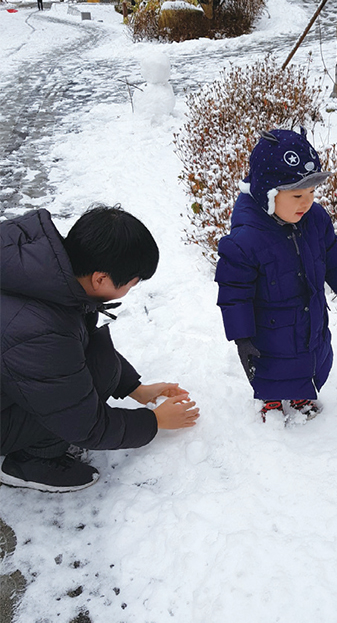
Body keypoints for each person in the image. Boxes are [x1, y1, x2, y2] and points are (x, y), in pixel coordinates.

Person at [0, 206, 199, 492]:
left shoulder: (42, 272)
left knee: (98, 366)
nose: (131, 289)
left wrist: (135, 388)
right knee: (89, 384)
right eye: (131, 283)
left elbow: (77, 346)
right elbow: (84, 426)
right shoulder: (40, 328)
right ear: (101, 279)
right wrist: (154, 421)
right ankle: (28, 462)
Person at [215, 129, 337, 423]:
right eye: (296, 195)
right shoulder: (244, 241)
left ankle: (302, 393)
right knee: (272, 364)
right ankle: (271, 402)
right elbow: (234, 295)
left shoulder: (315, 219)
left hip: (311, 315)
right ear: (267, 194)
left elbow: (332, 255)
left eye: (311, 193)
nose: (306, 202)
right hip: (269, 326)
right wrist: (242, 338)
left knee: (311, 354)